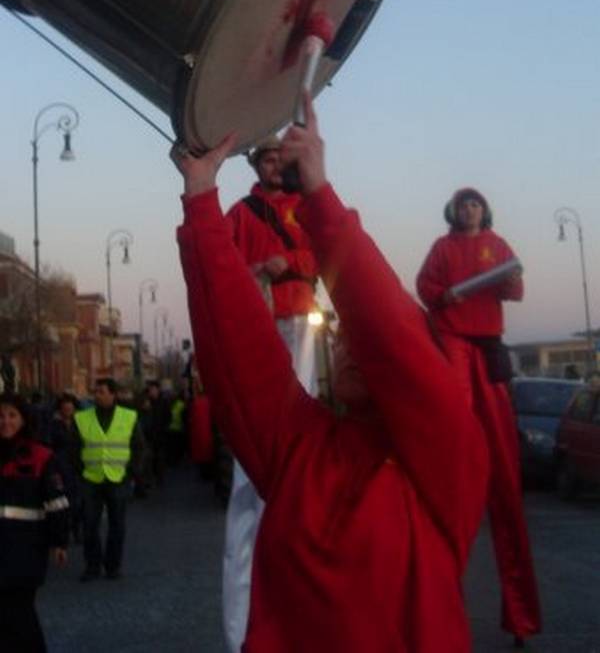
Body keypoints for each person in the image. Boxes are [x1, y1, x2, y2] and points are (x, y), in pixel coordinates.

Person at [172, 97, 489, 652]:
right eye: (344, 335)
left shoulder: (447, 460)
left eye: (356, 336)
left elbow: (386, 328)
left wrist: (319, 196)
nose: (345, 339)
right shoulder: (300, 445)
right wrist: (200, 198)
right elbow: (237, 348)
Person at [416, 188, 542, 647]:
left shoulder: (497, 245)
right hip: (454, 348)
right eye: (463, 204)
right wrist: (443, 294)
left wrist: (512, 277)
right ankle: (437, 607)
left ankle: (521, 615)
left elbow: (515, 289)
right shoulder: (442, 248)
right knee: (452, 462)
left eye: (476, 204)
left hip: (487, 353)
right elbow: (426, 288)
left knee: (504, 479)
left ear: (483, 211)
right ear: (453, 211)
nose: (469, 210)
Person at [223, 134, 320, 651]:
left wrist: (294, 263)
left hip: (301, 317)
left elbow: (326, 255)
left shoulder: (306, 207)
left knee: (300, 418)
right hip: (261, 326)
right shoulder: (241, 212)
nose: (275, 165)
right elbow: (221, 261)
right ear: (258, 165)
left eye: (281, 158)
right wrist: (253, 271)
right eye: (268, 158)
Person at [0, 392, 69, 652]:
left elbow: (56, 503)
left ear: (23, 419)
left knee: (19, 613)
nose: (5, 421)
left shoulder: (40, 456)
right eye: (0, 416)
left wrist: (59, 541)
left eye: (11, 415)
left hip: (25, 549)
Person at [73, 377, 146, 581]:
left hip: (118, 478)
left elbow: (139, 447)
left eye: (102, 391)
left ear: (113, 395)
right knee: (89, 524)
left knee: (117, 525)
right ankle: (92, 566)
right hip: (91, 479)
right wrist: (80, 471)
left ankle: (113, 567)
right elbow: (74, 448)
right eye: (96, 391)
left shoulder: (128, 417)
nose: (97, 395)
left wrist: (132, 472)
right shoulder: (82, 418)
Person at [50, 392, 82, 540]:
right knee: (63, 500)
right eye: (65, 408)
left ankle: (77, 529)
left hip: (78, 465)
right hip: (60, 467)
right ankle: (64, 529)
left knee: (78, 500)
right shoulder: (54, 425)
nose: (68, 410)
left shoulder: (80, 424)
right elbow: (49, 447)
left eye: (71, 407)